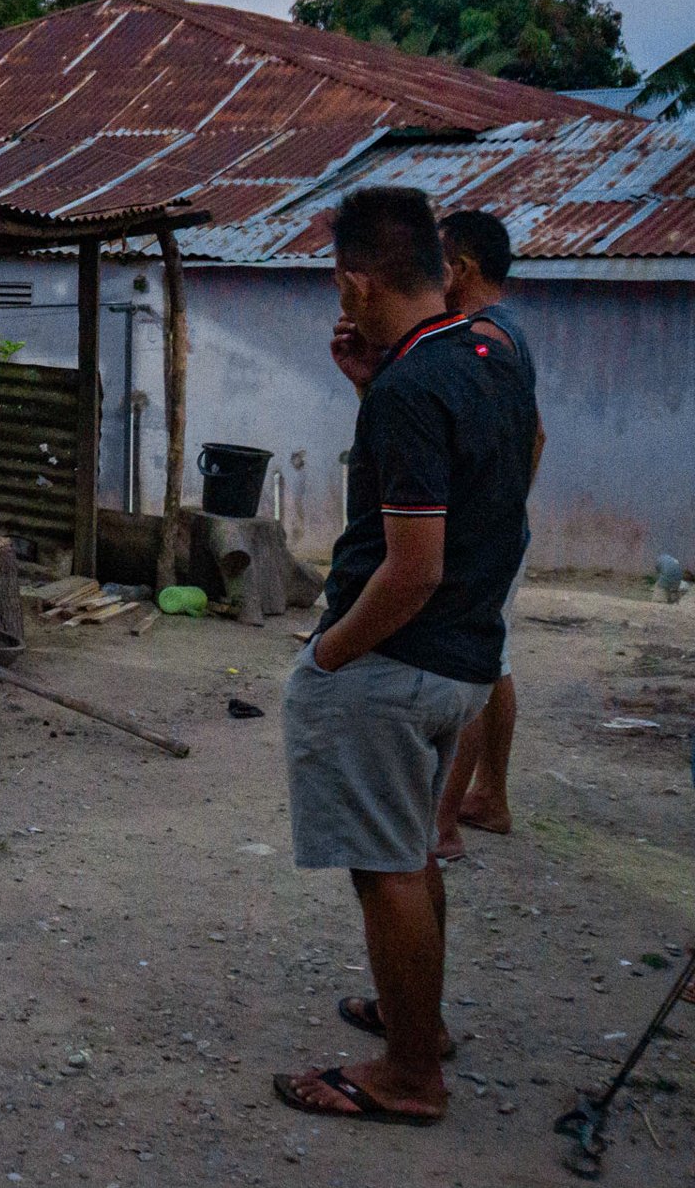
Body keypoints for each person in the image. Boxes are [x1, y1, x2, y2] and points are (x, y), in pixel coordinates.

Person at [273, 187, 536, 1127]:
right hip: (465, 656)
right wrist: (368, 388)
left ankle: (410, 1071)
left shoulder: (413, 388)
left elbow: (412, 567)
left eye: (342, 293)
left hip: (397, 659)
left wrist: (330, 653)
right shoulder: (496, 352)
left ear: (356, 282)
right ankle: (412, 1019)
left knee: (384, 865)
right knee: (411, 851)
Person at [432, 210, 544, 861]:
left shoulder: (479, 340)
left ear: (464, 269)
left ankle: (443, 819)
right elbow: (535, 436)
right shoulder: (511, 334)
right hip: (503, 529)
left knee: (472, 663)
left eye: (436, 263)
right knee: (492, 658)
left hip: (487, 537)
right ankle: (490, 796)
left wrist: (485, 522)